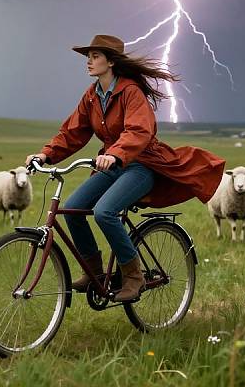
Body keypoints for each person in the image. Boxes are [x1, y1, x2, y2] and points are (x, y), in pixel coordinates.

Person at [26, 34, 225, 302]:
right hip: (113, 163)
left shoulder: (130, 91)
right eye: (88, 56)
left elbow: (138, 131)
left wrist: (117, 154)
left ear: (111, 62)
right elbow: (73, 132)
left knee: (104, 212)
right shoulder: (92, 96)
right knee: (73, 209)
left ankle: (133, 276)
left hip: (142, 164)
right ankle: (94, 273)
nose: (89, 61)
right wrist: (46, 155)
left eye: (95, 56)